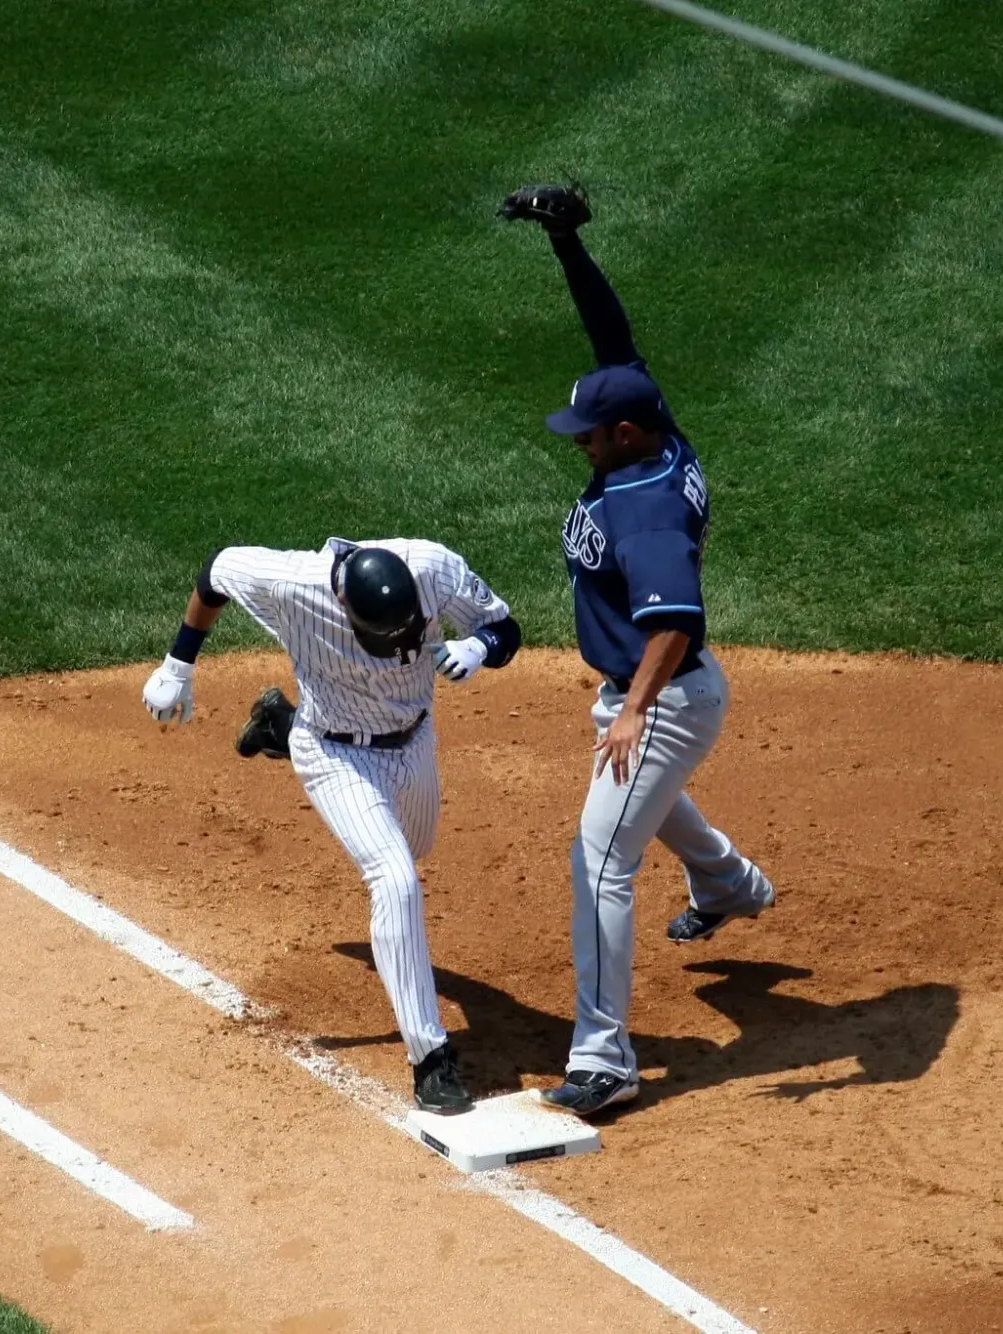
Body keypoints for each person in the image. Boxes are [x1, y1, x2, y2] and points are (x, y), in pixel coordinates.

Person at [499, 183, 776, 1118]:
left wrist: (632, 709)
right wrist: (568, 246)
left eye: (586, 435)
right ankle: (728, 883)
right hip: (660, 693)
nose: (576, 445)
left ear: (624, 433)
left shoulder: (643, 504)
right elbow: (612, 343)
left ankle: (608, 1060)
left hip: (663, 693)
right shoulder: (654, 436)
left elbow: (676, 621)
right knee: (633, 819)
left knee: (600, 860)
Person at [141, 538, 521, 1113]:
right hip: (336, 755)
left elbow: (505, 629)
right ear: (343, 603)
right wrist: (178, 664)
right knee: (395, 880)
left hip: (414, 742)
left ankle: (280, 726)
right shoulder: (293, 584)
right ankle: (431, 1060)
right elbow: (216, 569)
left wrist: (479, 645)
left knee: (416, 847)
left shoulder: (433, 567)